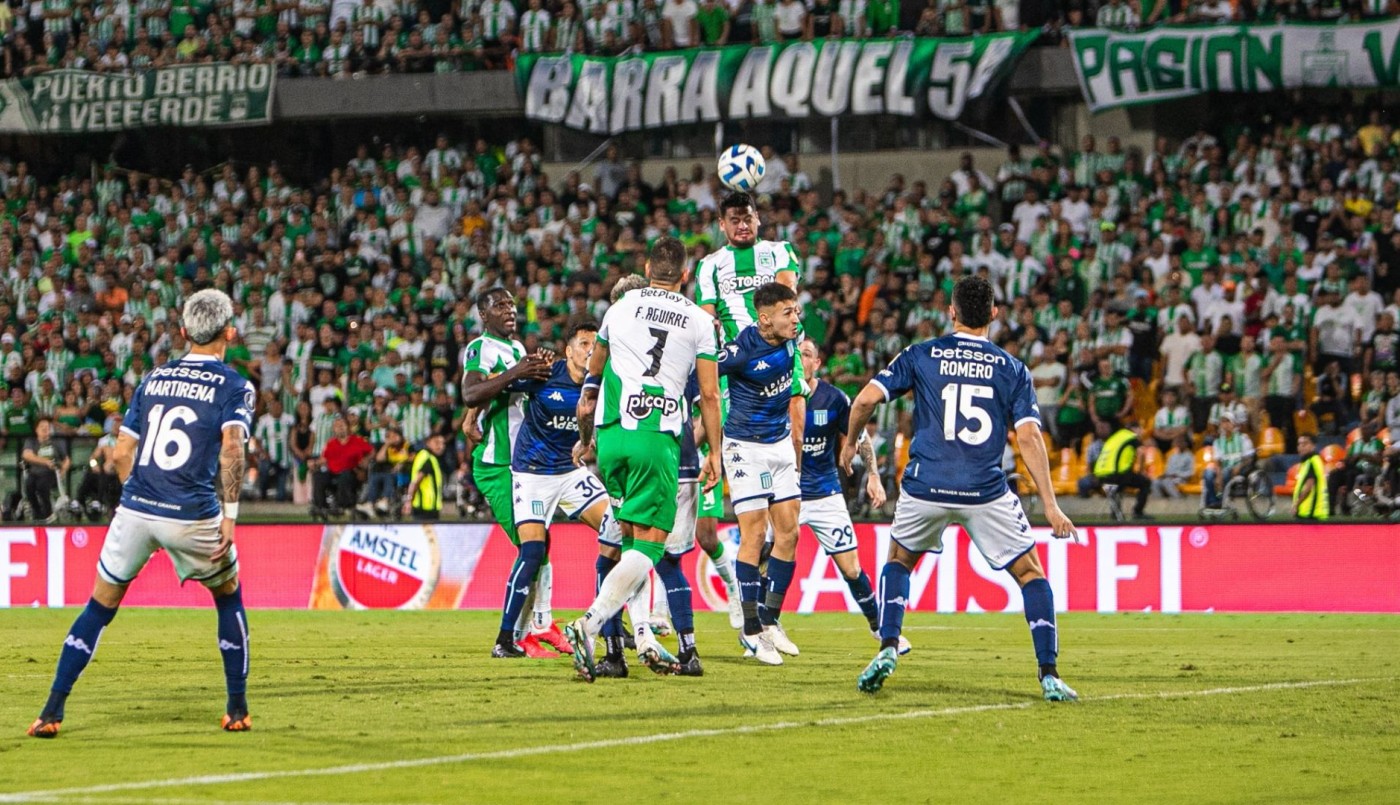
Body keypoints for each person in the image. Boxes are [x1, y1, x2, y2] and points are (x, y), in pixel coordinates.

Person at [28, 289, 256, 738]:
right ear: (229, 332)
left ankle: (51, 711)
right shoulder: (234, 385)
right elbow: (233, 447)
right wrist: (229, 515)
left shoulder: (153, 379)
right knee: (228, 596)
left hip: (135, 508)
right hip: (192, 514)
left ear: (184, 331)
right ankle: (236, 708)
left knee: (98, 607)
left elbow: (121, 452)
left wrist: (140, 499)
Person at [841, 276, 1079, 700]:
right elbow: (1028, 439)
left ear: (950, 312)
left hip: (925, 486)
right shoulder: (1012, 369)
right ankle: (1049, 674)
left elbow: (862, 402)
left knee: (898, 561)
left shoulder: (921, 354)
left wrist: (849, 444)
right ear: (993, 314)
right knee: (1030, 574)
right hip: (984, 490)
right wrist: (1052, 506)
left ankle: (889, 647)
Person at [565, 236, 723, 683]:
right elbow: (709, 394)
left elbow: (590, 384)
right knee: (652, 546)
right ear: (686, 275)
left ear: (648, 266)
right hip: (656, 435)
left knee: (631, 543)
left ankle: (641, 639)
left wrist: (586, 438)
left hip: (612, 436)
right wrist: (713, 450)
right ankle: (588, 625)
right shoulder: (698, 320)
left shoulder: (619, 309)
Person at [495, 321, 623, 662]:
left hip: (570, 472)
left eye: (595, 344)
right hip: (533, 474)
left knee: (619, 531)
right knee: (533, 552)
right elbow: (497, 388)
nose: (590, 350)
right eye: (583, 343)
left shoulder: (605, 384)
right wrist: (471, 416)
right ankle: (504, 639)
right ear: (568, 351)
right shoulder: (544, 375)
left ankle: (612, 621)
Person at [797, 339, 911, 655]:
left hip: (824, 493)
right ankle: (758, 629)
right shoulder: (779, 393)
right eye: (797, 353)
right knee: (763, 557)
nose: (801, 359)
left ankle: (879, 629)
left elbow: (859, 438)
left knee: (852, 569)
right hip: (785, 493)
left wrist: (873, 475)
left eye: (807, 354)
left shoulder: (833, 398)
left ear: (817, 363)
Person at [460, 288, 557, 651]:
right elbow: (471, 393)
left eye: (512, 306)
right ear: (484, 315)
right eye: (500, 306)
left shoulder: (517, 350)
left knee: (539, 547)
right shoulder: (480, 348)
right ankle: (515, 635)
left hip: (524, 463)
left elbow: (506, 396)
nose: (510, 311)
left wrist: (538, 370)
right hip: (496, 465)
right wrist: (517, 371)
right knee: (532, 549)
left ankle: (523, 634)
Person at [716, 282, 804, 666]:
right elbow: (700, 376)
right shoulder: (739, 352)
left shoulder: (791, 339)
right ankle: (750, 630)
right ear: (764, 318)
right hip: (745, 448)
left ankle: (770, 619)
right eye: (788, 313)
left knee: (789, 533)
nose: (796, 319)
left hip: (780, 443)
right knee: (754, 532)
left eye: (796, 311)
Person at [310, 417, 372, 518]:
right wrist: (315, 463)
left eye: (342, 425)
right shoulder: (331, 443)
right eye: (337, 426)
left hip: (352, 472)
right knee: (319, 476)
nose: (340, 428)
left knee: (345, 475)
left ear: (348, 427)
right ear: (334, 429)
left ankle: (342, 506)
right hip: (333, 472)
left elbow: (372, 452)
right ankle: (320, 506)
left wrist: (367, 460)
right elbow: (324, 459)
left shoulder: (357, 440)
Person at [1093, 422, 1153, 520]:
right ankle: (1138, 512)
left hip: (1100, 477)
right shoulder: (1131, 437)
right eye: (1140, 429)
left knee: (1118, 488)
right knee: (1145, 482)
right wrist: (1142, 471)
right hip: (1116, 475)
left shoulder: (1114, 438)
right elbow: (1141, 453)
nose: (1142, 432)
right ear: (1135, 429)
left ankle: (1116, 513)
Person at [22, 417, 71, 522]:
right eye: (42, 427)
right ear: (36, 429)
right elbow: (26, 455)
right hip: (34, 472)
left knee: (42, 485)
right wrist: (45, 462)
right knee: (29, 486)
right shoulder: (31, 441)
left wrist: (63, 471)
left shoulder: (56, 442)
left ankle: (47, 513)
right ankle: (37, 513)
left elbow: (66, 459)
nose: (45, 429)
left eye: (47, 427)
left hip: (51, 473)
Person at [1203, 415, 1255, 512]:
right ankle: (1212, 502)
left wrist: (1238, 466)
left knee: (1226, 472)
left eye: (1228, 422)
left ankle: (1220, 500)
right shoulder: (1217, 442)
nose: (1225, 425)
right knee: (1208, 473)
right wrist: (1218, 475)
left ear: (1233, 424)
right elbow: (1218, 462)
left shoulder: (1243, 438)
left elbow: (1248, 458)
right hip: (1224, 469)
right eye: (1223, 422)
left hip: (1241, 468)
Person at [76, 414, 123, 519]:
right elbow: (92, 458)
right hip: (105, 471)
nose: (117, 427)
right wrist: (94, 465)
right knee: (92, 472)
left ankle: (99, 500)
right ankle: (79, 500)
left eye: (119, 425)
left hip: (121, 473)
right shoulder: (104, 441)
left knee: (106, 470)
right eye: (115, 424)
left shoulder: (127, 442)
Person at [402, 430, 446, 522]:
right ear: (428, 442)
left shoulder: (425, 456)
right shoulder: (427, 458)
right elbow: (416, 481)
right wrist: (409, 501)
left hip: (426, 507)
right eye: (437, 443)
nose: (441, 447)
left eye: (443, 443)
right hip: (425, 508)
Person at [1292, 434, 1329, 520]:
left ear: (1313, 446)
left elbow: (1308, 487)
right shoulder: (1311, 461)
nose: (1301, 447)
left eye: (1305, 444)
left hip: (1310, 513)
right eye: (1299, 444)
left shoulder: (1311, 462)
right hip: (1313, 512)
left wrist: (1296, 504)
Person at [1152, 434, 1196, 500]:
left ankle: (1177, 498)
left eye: (1181, 442)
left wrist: (1178, 474)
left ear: (1186, 444)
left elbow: (1191, 472)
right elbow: (1168, 470)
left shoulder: (1189, 456)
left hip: (1181, 479)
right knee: (1155, 481)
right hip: (1169, 477)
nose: (1179, 444)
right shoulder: (1172, 456)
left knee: (1167, 481)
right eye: (1178, 442)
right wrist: (1164, 475)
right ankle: (1159, 498)